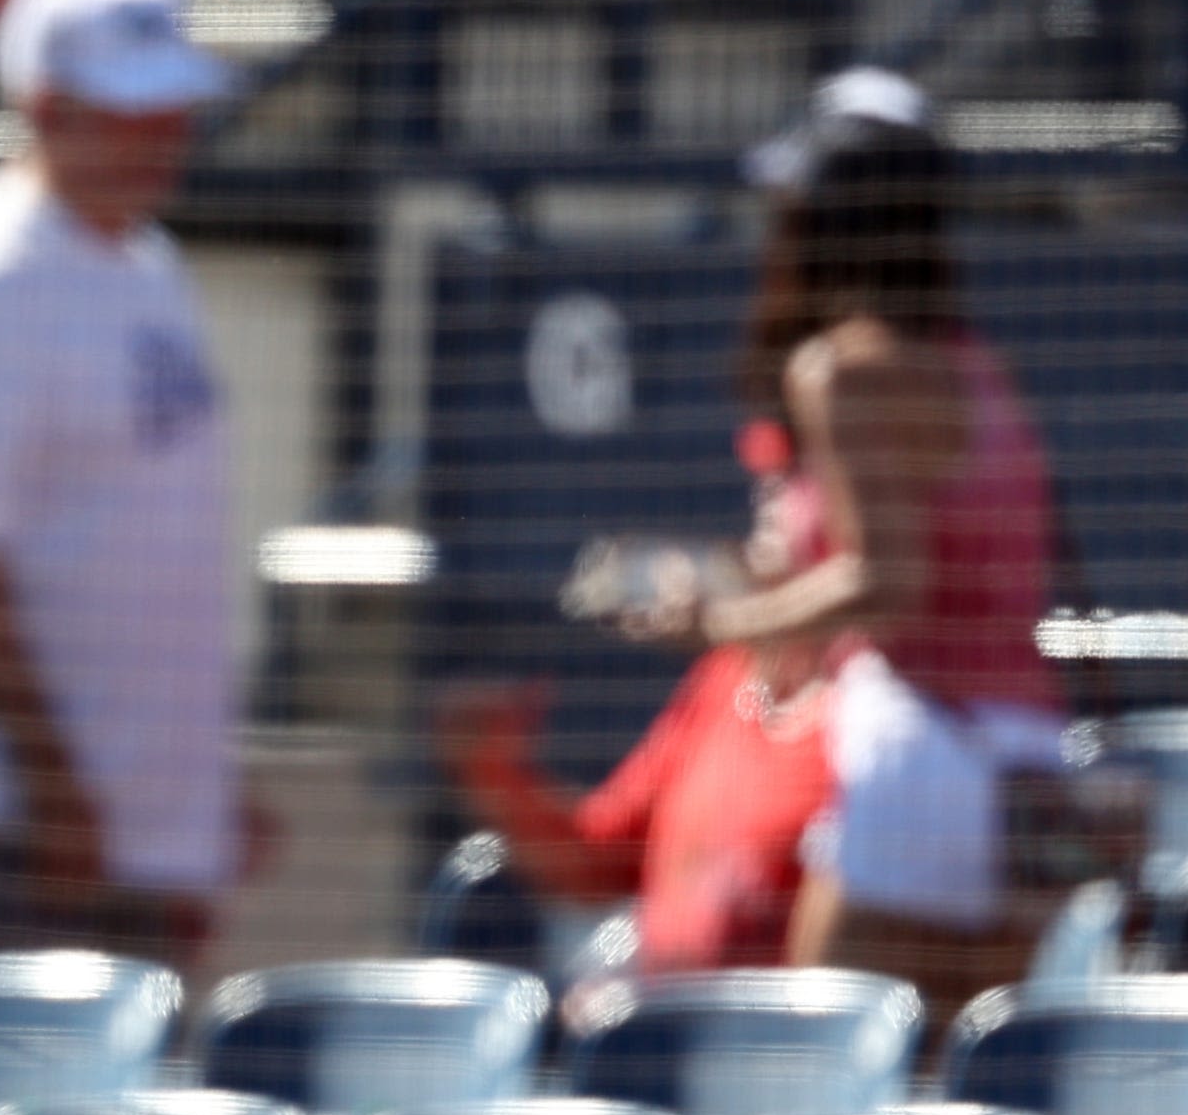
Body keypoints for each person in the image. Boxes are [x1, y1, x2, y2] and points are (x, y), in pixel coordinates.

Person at [652, 74, 1064, 1017]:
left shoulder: (839, 367)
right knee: (973, 1096)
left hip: (924, 753)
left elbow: (886, 580)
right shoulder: (977, 367)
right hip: (1030, 764)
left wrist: (719, 618)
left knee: (845, 1077)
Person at [0, 0, 240, 975]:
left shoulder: (144, 262)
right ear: (42, 108)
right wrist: (59, 797)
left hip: (117, 845)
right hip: (14, 848)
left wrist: (197, 797)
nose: (162, 135)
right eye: (128, 108)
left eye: (171, 107)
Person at [437, 422, 838, 973]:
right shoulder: (724, 680)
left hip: (785, 1048)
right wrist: (491, 768)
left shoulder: (876, 714)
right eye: (772, 477)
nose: (771, 488)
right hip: (656, 1041)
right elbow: (596, 868)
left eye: (802, 475)